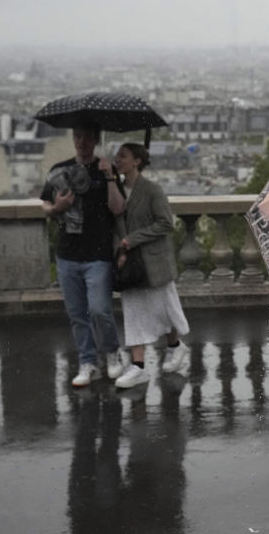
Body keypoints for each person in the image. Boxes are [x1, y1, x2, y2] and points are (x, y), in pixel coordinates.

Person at [41, 124, 126, 387]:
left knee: (100, 310)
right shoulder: (60, 169)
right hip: (68, 254)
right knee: (77, 314)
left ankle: (112, 353)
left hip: (98, 253)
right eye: (78, 136)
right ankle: (87, 361)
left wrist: (110, 177)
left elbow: (118, 208)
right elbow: (45, 204)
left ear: (95, 140)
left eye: (87, 137)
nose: (81, 142)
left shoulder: (106, 170)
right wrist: (59, 207)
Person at [112, 143, 191, 389]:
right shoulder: (116, 190)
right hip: (130, 260)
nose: (118, 160)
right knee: (133, 310)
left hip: (152, 260)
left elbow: (166, 223)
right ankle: (139, 365)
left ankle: (175, 346)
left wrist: (131, 240)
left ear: (137, 161)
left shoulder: (152, 190)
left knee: (162, 309)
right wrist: (119, 250)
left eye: (123, 156)